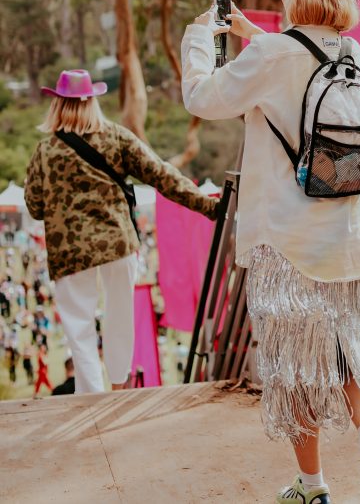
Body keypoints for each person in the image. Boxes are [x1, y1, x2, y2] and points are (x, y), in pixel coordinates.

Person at [182, 0, 360, 504]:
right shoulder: (352, 52)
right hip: (351, 238)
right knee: (344, 348)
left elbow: (202, 97)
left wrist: (199, 37)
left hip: (288, 244)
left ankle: (312, 488)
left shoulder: (272, 57)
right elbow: (298, 64)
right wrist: (254, 34)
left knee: (292, 367)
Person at [25, 69, 220, 395]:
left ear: (57, 104)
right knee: (119, 318)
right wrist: (209, 206)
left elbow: (34, 207)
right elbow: (162, 175)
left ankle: (91, 397)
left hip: (69, 252)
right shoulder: (116, 136)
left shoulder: (45, 151)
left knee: (79, 328)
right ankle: (118, 388)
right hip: (117, 244)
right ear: (92, 102)